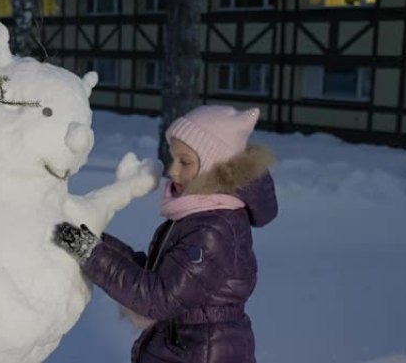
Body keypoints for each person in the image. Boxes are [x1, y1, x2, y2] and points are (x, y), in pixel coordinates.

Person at [54, 105, 278, 363]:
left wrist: (91, 252)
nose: (172, 170)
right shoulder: (202, 214)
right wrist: (96, 242)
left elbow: (160, 297)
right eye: (173, 158)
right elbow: (158, 274)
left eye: (185, 161)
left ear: (214, 167)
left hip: (200, 353)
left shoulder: (213, 227)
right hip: (188, 345)